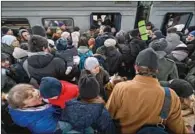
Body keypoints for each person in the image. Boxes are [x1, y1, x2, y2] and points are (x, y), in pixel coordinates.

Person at [106, 48, 188, 134]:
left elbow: (108, 114)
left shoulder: (121, 88)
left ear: (136, 68)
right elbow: (178, 127)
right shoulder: (170, 94)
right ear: (156, 70)